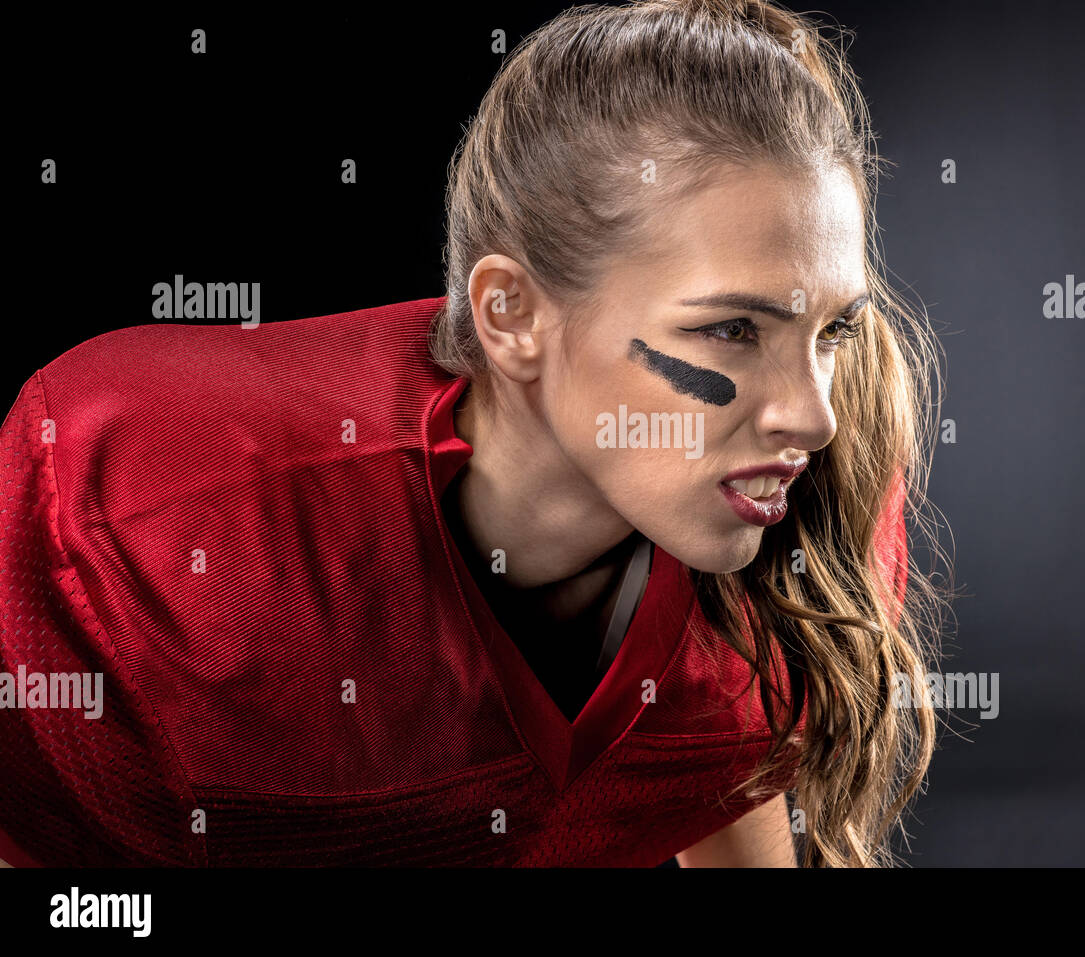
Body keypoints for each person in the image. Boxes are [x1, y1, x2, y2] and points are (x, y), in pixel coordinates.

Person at [0, 0, 943, 868]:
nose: (812, 414)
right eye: (732, 330)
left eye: (832, 330)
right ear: (513, 316)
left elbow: (715, 738)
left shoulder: (801, 491)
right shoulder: (152, 528)